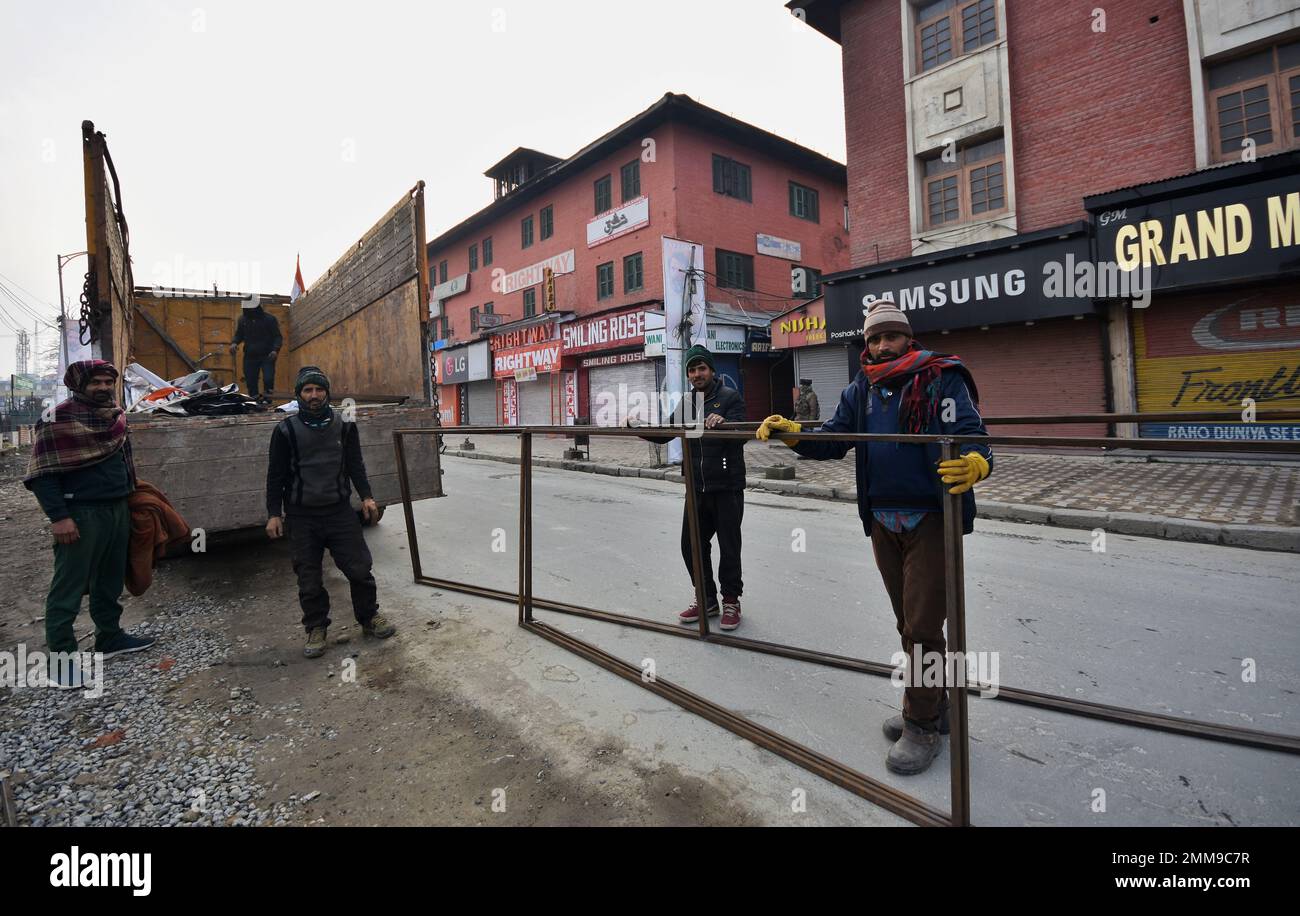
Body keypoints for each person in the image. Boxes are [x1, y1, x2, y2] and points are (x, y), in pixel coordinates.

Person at [757, 300, 992, 775]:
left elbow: (972, 432)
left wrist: (976, 460)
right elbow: (835, 438)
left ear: (909, 337)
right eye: (874, 338)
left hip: (931, 519)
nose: (883, 345)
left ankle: (921, 724)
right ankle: (937, 706)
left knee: (923, 629)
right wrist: (792, 434)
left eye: (891, 336)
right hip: (883, 520)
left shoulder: (942, 376)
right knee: (908, 623)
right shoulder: (862, 388)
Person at [24, 360, 157, 689]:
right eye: (95, 382)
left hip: (117, 509)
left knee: (109, 581)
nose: (102, 387)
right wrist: (60, 517)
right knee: (68, 587)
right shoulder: (57, 421)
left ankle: (109, 638)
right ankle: (62, 662)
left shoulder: (114, 416)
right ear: (79, 385)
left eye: (107, 382)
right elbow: (42, 475)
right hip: (80, 514)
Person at [265, 366, 395, 658]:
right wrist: (274, 513)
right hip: (301, 517)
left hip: (339, 513)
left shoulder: (345, 425)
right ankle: (316, 627)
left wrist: (367, 497)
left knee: (360, 570)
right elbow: (275, 475)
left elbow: (355, 464)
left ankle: (369, 617)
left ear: (327, 393)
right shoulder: (285, 430)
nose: (314, 395)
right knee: (308, 578)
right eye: (308, 390)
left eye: (319, 389)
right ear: (299, 395)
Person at [637, 345, 748, 630]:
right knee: (692, 546)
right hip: (696, 487)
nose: (697, 374)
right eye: (692, 370)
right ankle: (706, 599)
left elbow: (742, 434)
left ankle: (731, 601)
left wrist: (724, 423)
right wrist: (637, 425)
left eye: (702, 368)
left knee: (729, 546)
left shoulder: (730, 397)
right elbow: (665, 433)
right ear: (688, 374)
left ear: (712, 370)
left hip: (726, 487)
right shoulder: (686, 403)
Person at [229, 301, 282, 403]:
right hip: (250, 356)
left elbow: (277, 337)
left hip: (267, 355)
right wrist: (234, 343)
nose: (251, 310)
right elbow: (238, 335)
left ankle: (267, 400)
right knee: (251, 380)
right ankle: (254, 401)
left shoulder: (269, 319)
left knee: (268, 379)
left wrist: (275, 350)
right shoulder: (242, 320)